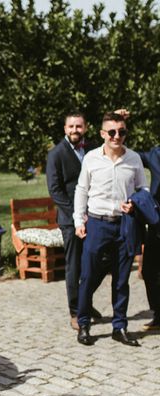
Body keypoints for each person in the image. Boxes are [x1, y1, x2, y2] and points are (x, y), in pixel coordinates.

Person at [73, 111, 148, 347]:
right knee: (88, 277)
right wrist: (78, 221)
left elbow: (142, 189)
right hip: (96, 224)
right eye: (112, 132)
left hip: (124, 225)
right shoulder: (92, 158)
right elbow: (81, 190)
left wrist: (135, 202)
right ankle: (83, 324)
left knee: (121, 279)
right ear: (103, 134)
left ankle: (120, 327)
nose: (117, 136)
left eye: (122, 132)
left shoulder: (134, 158)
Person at [46, 112, 102, 330]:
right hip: (71, 220)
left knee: (98, 262)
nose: (75, 130)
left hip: (95, 216)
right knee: (74, 265)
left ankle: (85, 301)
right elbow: (55, 191)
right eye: (71, 126)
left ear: (85, 128)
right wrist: (78, 214)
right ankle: (76, 311)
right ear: (65, 129)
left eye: (79, 126)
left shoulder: (93, 150)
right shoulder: (56, 154)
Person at [113, 109, 160, 331]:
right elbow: (120, 148)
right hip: (158, 223)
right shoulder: (155, 154)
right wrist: (119, 121)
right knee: (149, 270)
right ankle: (159, 315)